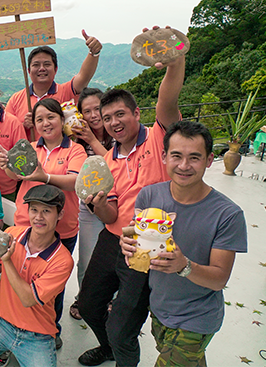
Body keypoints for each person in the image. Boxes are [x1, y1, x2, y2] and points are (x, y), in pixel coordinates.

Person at [77, 28, 185, 367]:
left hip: (148, 246)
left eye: (120, 114)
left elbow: (168, 98)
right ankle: (107, 348)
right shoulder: (108, 162)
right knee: (90, 305)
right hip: (113, 241)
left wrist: (173, 59)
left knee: (123, 327)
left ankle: (121, 353)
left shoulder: (159, 138)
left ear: (137, 113)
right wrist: (98, 205)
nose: (113, 122)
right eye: (107, 118)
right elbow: (110, 217)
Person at [119, 121, 247, 367]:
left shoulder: (228, 214)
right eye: (176, 156)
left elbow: (220, 279)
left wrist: (183, 266)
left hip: (197, 317)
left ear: (209, 160)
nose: (184, 166)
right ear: (164, 156)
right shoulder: (149, 195)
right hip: (159, 307)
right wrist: (127, 245)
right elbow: (138, 243)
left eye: (195, 158)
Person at [0, 97, 87, 348]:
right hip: (25, 226)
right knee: (18, 277)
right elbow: (18, 177)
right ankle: (16, 324)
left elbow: (75, 182)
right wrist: (6, 166)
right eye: (39, 119)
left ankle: (50, 330)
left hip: (62, 229)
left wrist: (44, 176)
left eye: (51, 117)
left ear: (61, 119)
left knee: (51, 288)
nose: (45, 123)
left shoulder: (75, 150)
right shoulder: (30, 148)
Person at [0, 185, 74, 367]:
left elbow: (28, 299)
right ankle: (3, 349)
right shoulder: (12, 234)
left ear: (60, 215)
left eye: (46, 211)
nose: (38, 217)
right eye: (34, 210)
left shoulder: (63, 260)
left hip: (37, 334)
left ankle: (6, 351)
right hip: (0, 322)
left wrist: (7, 261)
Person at [68, 88, 115, 320]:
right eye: (87, 111)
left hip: (117, 204)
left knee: (115, 257)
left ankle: (109, 299)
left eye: (97, 108)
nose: (93, 115)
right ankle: (82, 298)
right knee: (87, 258)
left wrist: (93, 140)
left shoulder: (116, 131)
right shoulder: (74, 137)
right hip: (88, 207)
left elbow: (113, 165)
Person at [5, 32, 102, 140]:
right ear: (28, 71)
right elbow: (7, 131)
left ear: (55, 69)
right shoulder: (15, 100)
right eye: (36, 65)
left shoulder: (66, 91)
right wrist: (23, 126)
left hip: (64, 155)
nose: (42, 68)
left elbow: (84, 76)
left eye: (47, 64)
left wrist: (94, 53)